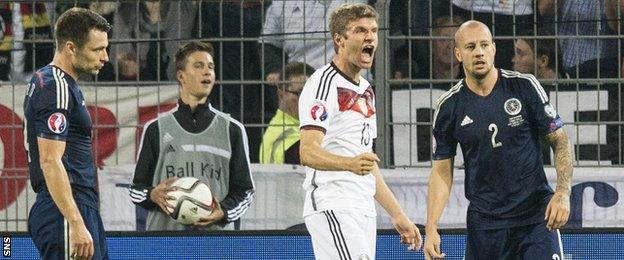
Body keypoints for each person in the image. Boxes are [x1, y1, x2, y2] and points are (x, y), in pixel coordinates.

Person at [424, 21, 574, 260]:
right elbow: (441, 172)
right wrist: (431, 227)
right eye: (471, 46)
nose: (479, 52)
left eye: (484, 45)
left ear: (493, 49)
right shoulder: (448, 106)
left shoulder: (524, 86)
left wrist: (563, 193)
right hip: (485, 226)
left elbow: (560, 140)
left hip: (535, 217)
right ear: (458, 53)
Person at [298, 3, 421, 259]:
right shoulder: (323, 84)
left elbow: (366, 161)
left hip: (362, 208)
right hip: (333, 203)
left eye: (374, 31)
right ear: (339, 40)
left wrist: (397, 214)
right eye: (360, 30)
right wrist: (349, 164)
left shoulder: (366, 89)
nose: (370, 37)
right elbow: (308, 151)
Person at [129, 41, 255, 231]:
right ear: (181, 76)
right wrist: (152, 194)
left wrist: (224, 212)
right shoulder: (156, 129)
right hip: (166, 243)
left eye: (211, 67)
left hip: (214, 244)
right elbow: (136, 189)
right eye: (198, 66)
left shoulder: (232, 130)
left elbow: (245, 192)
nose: (207, 72)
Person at [23, 7, 110, 260]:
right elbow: (50, 160)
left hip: (74, 207)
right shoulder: (56, 86)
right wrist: (75, 222)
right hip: (64, 209)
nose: (105, 57)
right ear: (70, 47)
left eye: (105, 48)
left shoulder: (59, 84)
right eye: (97, 49)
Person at [259, 61, 314, 164]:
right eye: (300, 93)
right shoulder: (284, 133)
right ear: (281, 95)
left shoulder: (304, 127)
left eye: (313, 94)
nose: (308, 100)